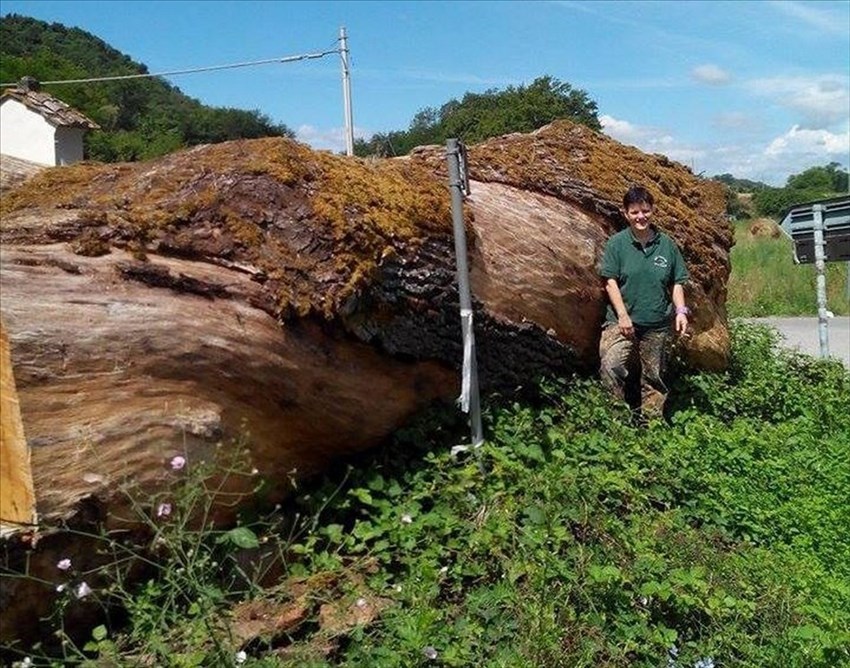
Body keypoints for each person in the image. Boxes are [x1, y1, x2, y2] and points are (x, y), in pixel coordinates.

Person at [598, 185, 690, 422]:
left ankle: (652, 426)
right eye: (635, 212)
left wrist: (681, 311)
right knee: (612, 366)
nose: (641, 217)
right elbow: (610, 282)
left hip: (656, 325)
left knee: (653, 377)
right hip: (621, 323)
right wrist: (623, 315)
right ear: (626, 213)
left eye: (646, 211)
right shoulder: (617, 244)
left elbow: (677, 282)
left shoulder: (666, 245)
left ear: (652, 211)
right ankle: (618, 422)